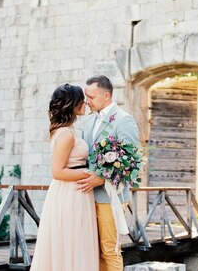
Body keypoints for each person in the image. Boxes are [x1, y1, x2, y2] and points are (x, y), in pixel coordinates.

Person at [30, 84, 99, 271]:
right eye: (81, 99)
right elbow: (58, 171)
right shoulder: (66, 134)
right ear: (73, 104)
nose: (85, 102)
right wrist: (91, 174)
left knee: (76, 241)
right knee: (72, 240)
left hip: (76, 191)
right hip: (70, 192)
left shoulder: (68, 130)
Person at [76, 75, 140, 271]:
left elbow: (131, 161)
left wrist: (101, 178)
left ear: (106, 95)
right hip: (87, 196)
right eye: (86, 96)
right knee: (92, 250)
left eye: (91, 97)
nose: (87, 101)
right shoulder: (88, 121)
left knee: (110, 250)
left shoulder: (124, 120)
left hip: (110, 196)